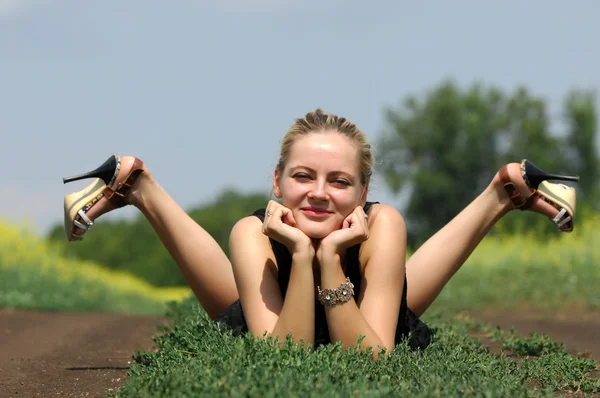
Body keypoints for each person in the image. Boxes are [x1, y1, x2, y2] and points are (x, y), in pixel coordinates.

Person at [61, 109, 579, 358]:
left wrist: (331, 257)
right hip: (276, 302)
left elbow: (373, 358)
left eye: (340, 182)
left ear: (363, 191)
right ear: (276, 181)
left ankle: (502, 194)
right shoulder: (253, 234)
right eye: (302, 176)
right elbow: (284, 355)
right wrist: (302, 258)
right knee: (232, 301)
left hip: (363, 301)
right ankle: (143, 189)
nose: (318, 194)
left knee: (398, 302)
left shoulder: (383, 224)